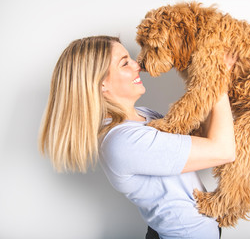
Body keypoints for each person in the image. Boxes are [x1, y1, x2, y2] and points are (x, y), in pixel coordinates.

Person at [39, 36, 236, 239]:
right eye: (125, 63)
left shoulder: (144, 115)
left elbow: (202, 140)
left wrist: (206, 79)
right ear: (101, 85)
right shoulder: (122, 142)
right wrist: (217, 79)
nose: (138, 65)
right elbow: (223, 151)